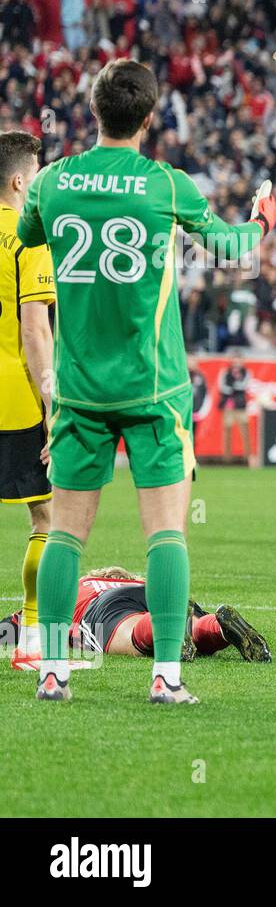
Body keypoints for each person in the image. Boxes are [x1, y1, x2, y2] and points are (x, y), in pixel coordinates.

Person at [17, 59, 276, 703]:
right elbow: (233, 250)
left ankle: (53, 671)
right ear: (150, 116)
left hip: (78, 386)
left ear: (93, 109)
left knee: (66, 533)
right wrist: (264, 217)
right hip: (153, 386)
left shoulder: (52, 181)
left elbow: (26, 234)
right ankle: (166, 677)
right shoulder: (166, 184)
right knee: (165, 532)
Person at [0, 130, 55, 670]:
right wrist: (52, 404)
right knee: (49, 516)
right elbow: (35, 332)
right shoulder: (28, 238)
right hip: (13, 398)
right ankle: (33, 641)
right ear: (20, 181)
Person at [3, 566, 272, 664]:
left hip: (105, 606)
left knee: (132, 633)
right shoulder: (137, 582)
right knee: (198, 626)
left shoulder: (80, 587)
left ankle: (165, 626)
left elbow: (19, 622)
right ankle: (220, 626)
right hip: (156, 591)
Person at [218, 351, 251, 465]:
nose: (236, 363)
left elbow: (243, 386)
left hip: (240, 405)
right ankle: (227, 459)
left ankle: (247, 458)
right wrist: (234, 387)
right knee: (227, 432)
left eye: (238, 360)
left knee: (245, 432)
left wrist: (232, 387)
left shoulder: (246, 372)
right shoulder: (225, 372)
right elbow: (222, 387)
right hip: (228, 406)